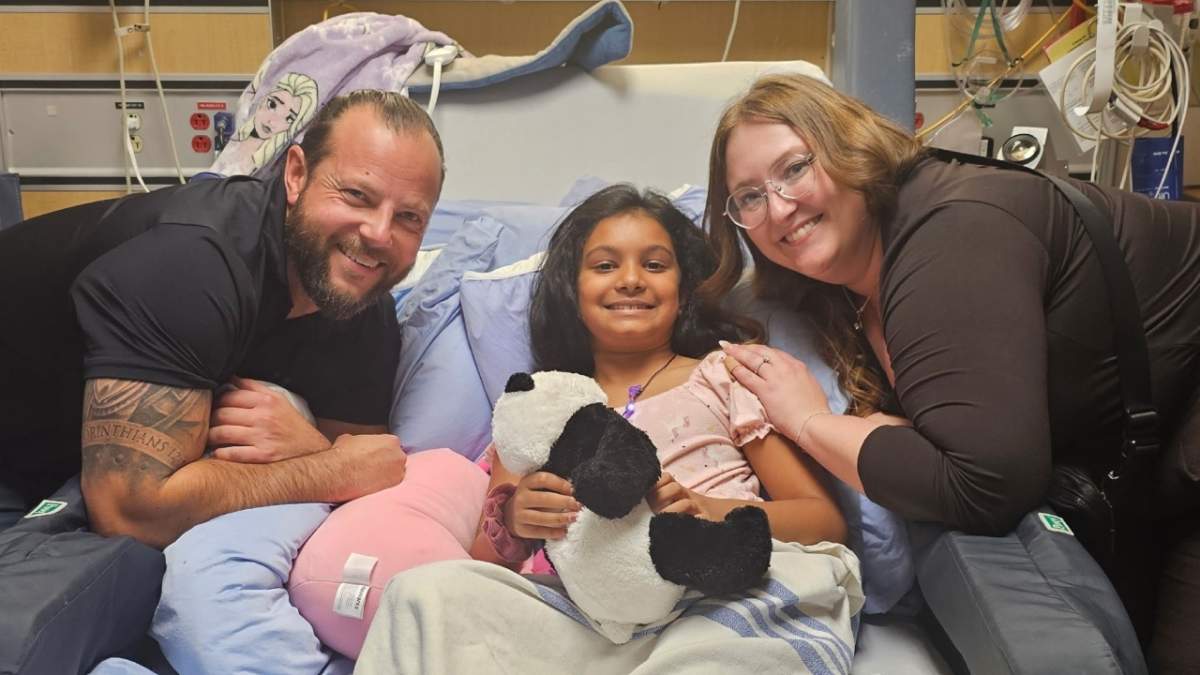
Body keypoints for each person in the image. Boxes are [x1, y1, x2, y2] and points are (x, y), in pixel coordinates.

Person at [706, 73, 1200, 672]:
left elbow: (982, 487)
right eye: (750, 197)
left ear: (849, 149)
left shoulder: (949, 238)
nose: (779, 207)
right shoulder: (841, 286)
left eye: (794, 169)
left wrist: (809, 421)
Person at [355, 184, 859, 674]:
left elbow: (823, 522)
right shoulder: (539, 404)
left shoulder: (724, 375)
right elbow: (488, 559)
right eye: (604, 265)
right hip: (590, 618)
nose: (632, 280)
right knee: (423, 594)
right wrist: (514, 517)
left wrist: (713, 511)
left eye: (655, 265)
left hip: (713, 594)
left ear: (684, 288)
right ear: (571, 291)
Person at [0, 90, 443, 549]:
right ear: (296, 176)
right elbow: (129, 513)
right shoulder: (192, 265)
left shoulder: (361, 299)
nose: (378, 234)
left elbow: (367, 458)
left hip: (58, 464)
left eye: (409, 217)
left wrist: (313, 445)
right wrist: (327, 469)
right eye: (356, 195)